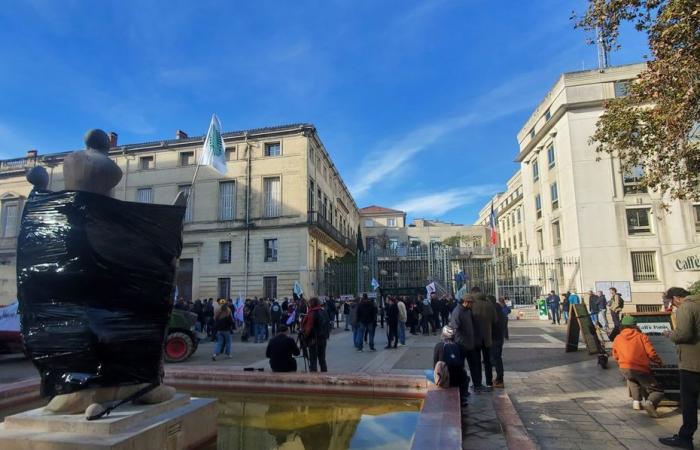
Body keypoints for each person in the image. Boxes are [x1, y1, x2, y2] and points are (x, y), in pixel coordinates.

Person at [659, 287, 699, 449]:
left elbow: (684, 334)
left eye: (671, 302)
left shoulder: (686, 308)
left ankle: (685, 437)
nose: (673, 306)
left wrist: (670, 334)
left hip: (692, 362)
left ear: (676, 298)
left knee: (689, 401)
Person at [612, 315, 664, 417]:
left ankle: (636, 402)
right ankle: (650, 403)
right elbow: (651, 352)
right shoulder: (641, 336)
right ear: (635, 326)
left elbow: (615, 354)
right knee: (657, 390)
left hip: (624, 368)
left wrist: (621, 362)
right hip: (640, 368)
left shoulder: (618, 338)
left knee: (633, 381)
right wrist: (659, 361)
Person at [433, 326, 470, 407]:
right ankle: (463, 397)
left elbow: (435, 365)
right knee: (465, 376)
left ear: (443, 335)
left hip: (444, 379)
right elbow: (461, 364)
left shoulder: (439, 346)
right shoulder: (460, 347)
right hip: (458, 379)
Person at [470, 286, 498, 391]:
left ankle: (477, 383)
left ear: (472, 293)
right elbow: (495, 320)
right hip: (487, 337)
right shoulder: (489, 304)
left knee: (476, 361)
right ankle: (489, 383)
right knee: (487, 362)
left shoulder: (471, 304)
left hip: (475, 337)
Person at [449, 293, 476, 391]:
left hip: (469, 343)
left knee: (474, 365)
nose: (472, 305)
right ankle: (462, 389)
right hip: (461, 344)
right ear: (466, 302)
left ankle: (476, 384)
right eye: (471, 303)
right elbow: (454, 328)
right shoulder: (457, 311)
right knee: (460, 367)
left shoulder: (468, 311)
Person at [301, 297, 330, 372]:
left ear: (312, 303)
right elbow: (328, 325)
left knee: (313, 359)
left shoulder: (312, 313)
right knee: (322, 359)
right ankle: (325, 375)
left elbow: (309, 327)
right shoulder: (324, 311)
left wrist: (304, 336)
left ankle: (314, 378)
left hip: (314, 339)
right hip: (323, 338)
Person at [490, 295, 508, 388]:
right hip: (499, 338)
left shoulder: (494, 312)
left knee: (496, 360)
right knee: (497, 359)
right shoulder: (499, 311)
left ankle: (500, 380)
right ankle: (499, 379)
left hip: (494, 339)